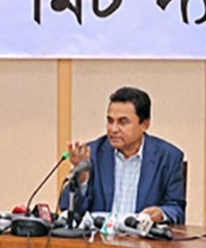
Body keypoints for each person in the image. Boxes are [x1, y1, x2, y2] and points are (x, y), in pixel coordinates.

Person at [60, 87, 186, 224]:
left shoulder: (168, 157)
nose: (113, 129)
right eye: (110, 121)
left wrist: (162, 213)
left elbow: (177, 209)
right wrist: (81, 177)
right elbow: (67, 208)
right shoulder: (92, 154)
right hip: (100, 241)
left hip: (144, 242)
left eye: (123, 122)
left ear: (144, 124)